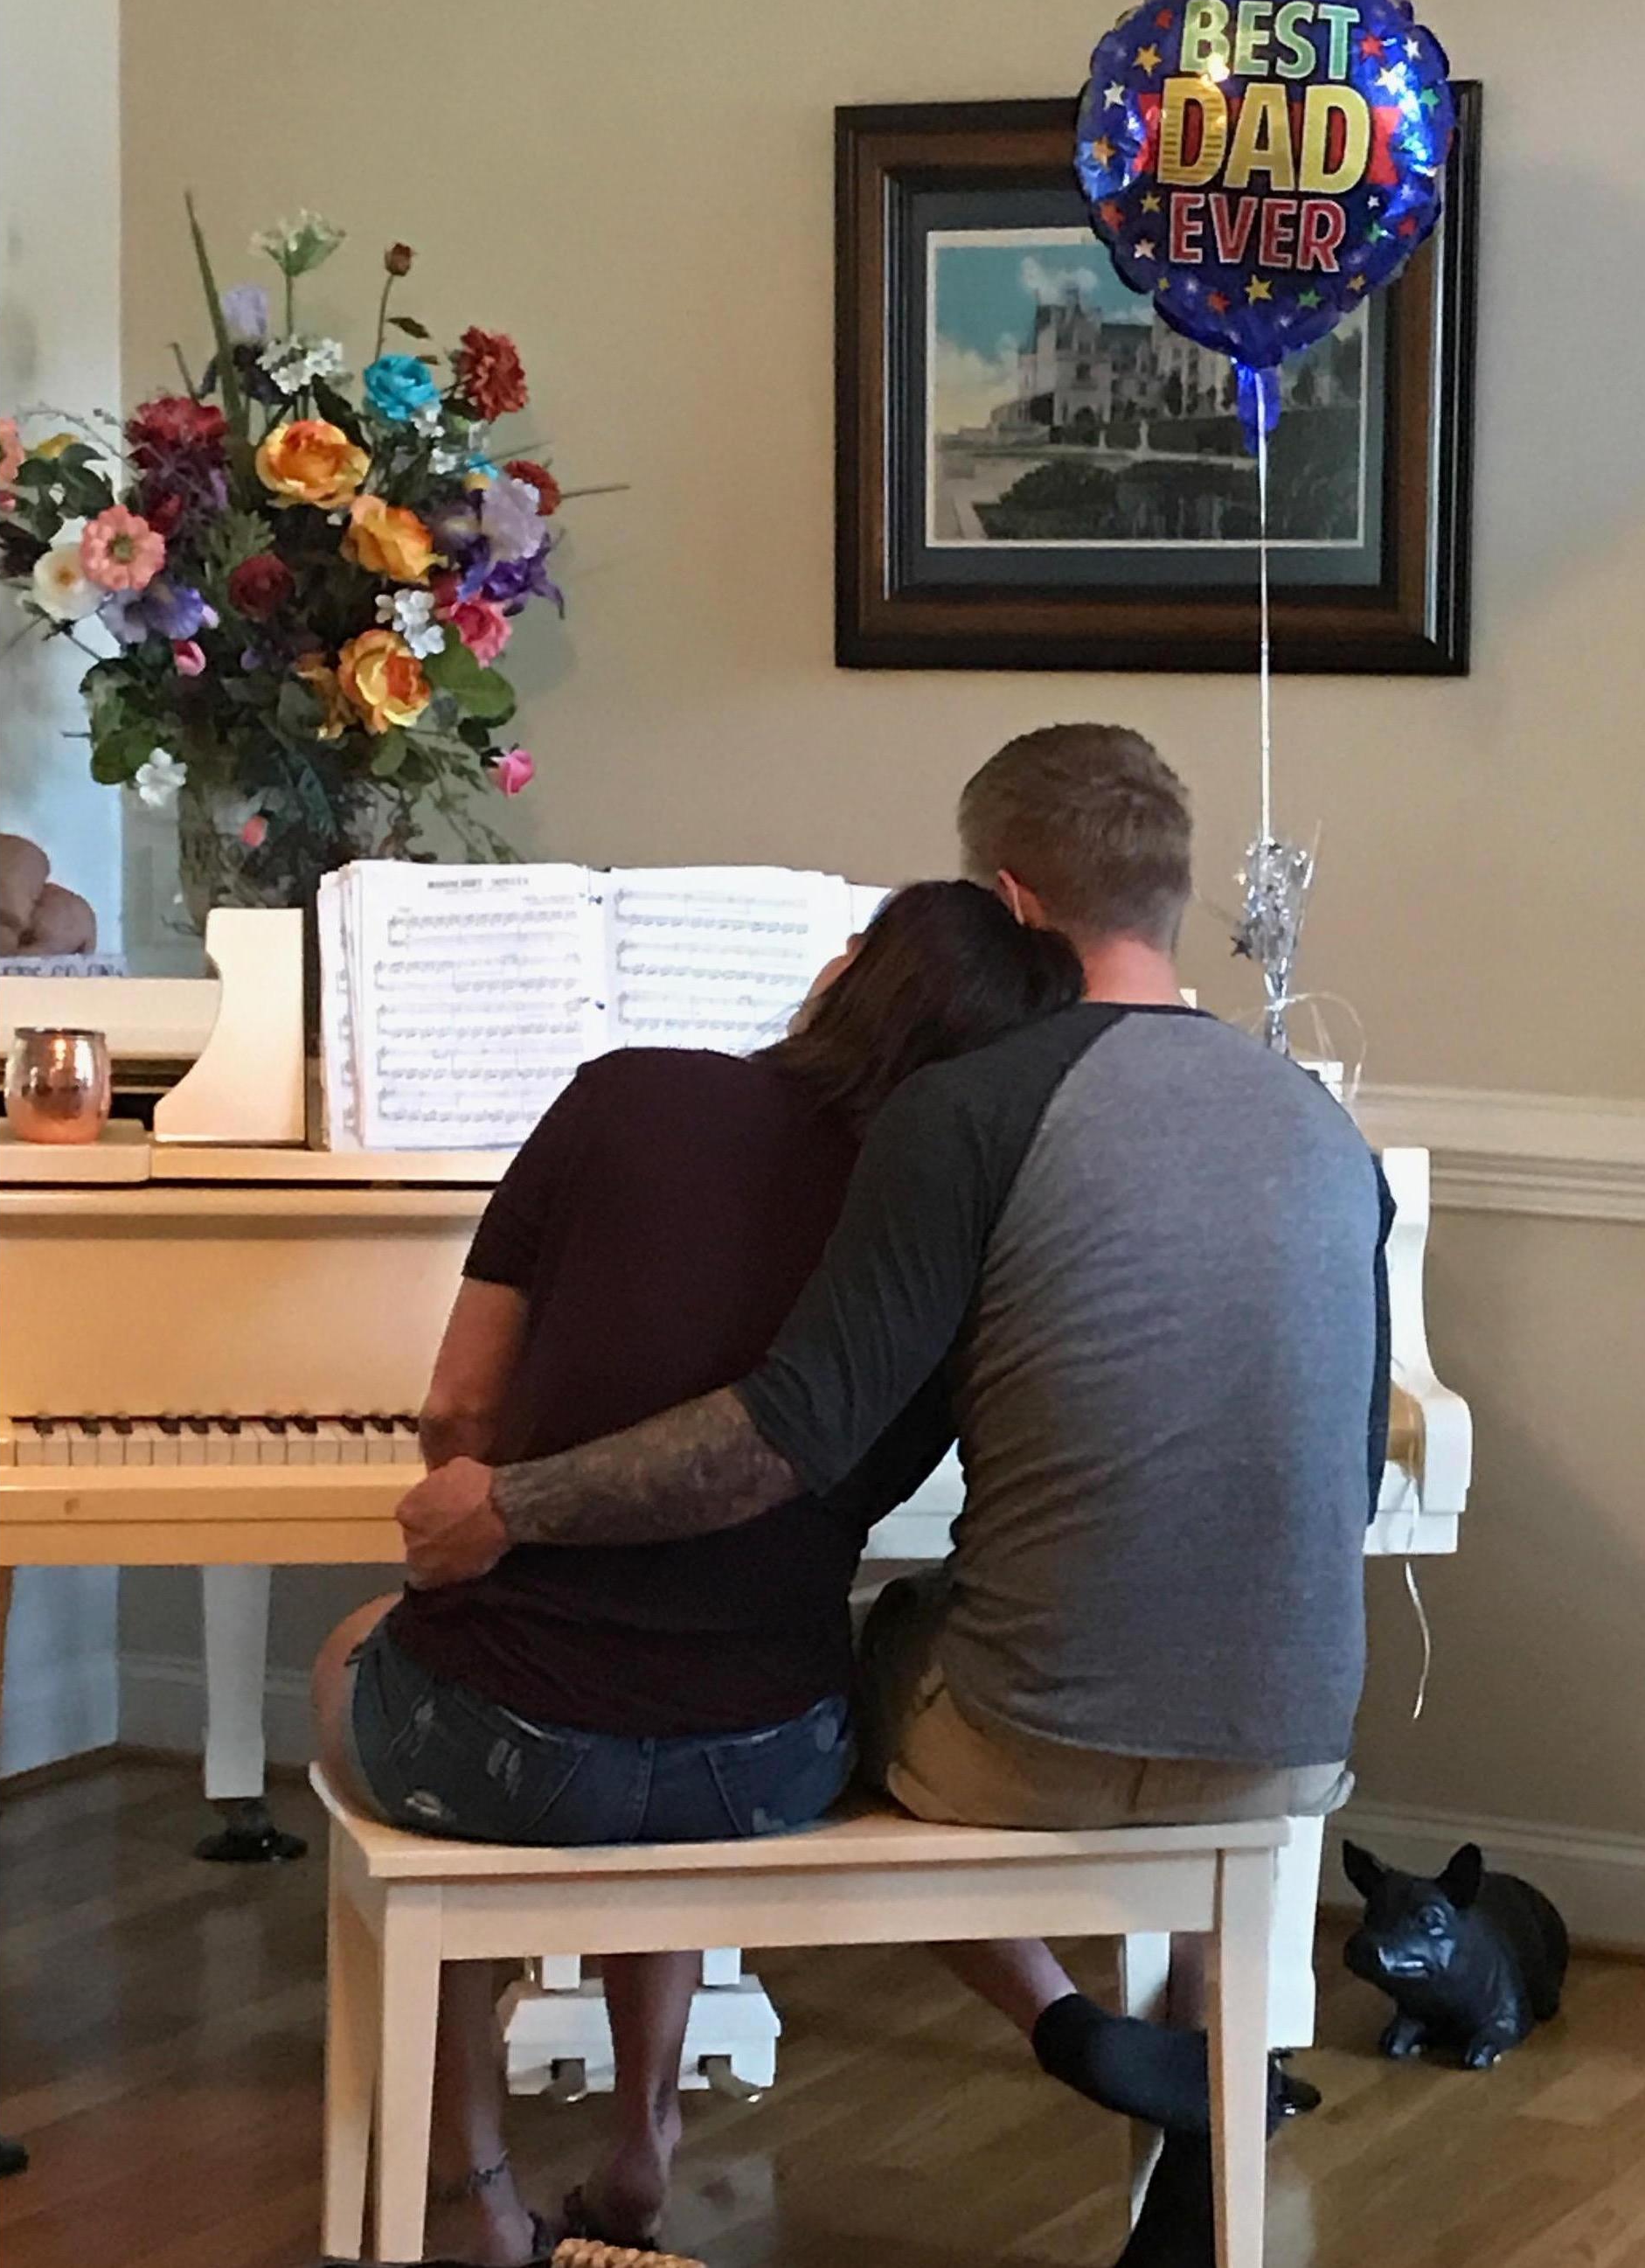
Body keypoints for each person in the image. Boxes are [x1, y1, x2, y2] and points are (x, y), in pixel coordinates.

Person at [399, 723, 1393, 2268]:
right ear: (1174, 891)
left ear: (1003, 896)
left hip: (1025, 1744)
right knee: (1157, 1674)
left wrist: (509, 1505)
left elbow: (779, 1434)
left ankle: (1053, 2030)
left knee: (808, 1686)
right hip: (1294, 1740)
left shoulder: (974, 1108)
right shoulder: (1326, 1128)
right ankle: (1191, 2149)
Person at [310, 880, 1082, 2265]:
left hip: (511, 1751)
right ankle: (641, 2138)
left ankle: (483, 2199)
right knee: (670, 1700)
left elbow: (459, 1418)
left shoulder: (622, 1096)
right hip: (769, 1757)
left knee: (377, 1656)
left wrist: (479, 1536)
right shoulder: (956, 1220)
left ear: (842, 970)